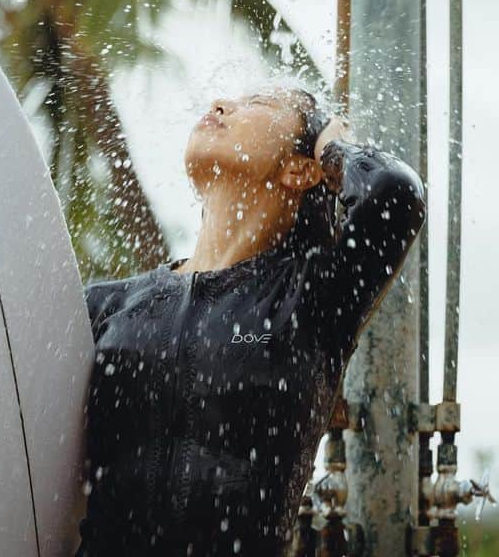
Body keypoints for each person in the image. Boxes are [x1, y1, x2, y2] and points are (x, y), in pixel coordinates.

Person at [75, 85, 426, 556]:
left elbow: (394, 195)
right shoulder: (105, 306)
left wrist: (330, 142)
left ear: (300, 170)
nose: (221, 104)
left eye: (259, 103)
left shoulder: (313, 301)